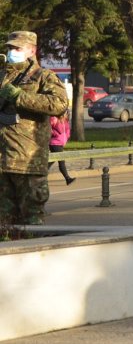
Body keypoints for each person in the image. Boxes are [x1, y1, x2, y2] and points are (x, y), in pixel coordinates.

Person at [0, 31, 69, 224]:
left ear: (32, 50)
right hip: (3, 162)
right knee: (4, 225)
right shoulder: (3, 76)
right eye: (10, 47)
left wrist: (19, 97)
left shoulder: (43, 76)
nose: (12, 51)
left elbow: (59, 104)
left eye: (17, 48)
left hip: (27, 161)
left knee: (31, 223)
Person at [49, 110, 73, 185]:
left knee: (52, 160)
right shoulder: (54, 119)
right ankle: (68, 178)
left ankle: (41, 173)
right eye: (65, 113)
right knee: (61, 161)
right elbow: (48, 128)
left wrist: (67, 136)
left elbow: (67, 130)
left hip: (60, 143)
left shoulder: (65, 121)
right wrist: (54, 133)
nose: (66, 114)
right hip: (55, 143)